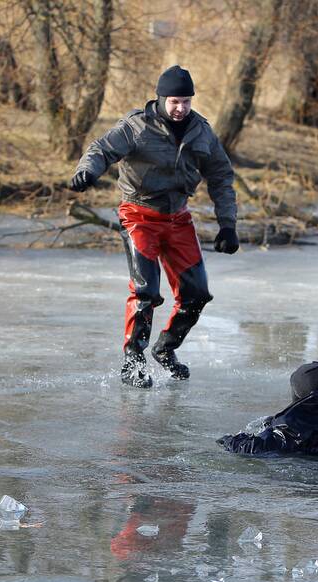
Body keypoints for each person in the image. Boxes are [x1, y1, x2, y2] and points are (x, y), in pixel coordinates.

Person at [70, 65, 239, 389]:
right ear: (161, 99)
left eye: (186, 101)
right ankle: (133, 361)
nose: (181, 108)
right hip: (139, 215)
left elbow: (220, 176)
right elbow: (102, 150)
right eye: (175, 101)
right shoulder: (137, 126)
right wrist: (88, 171)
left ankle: (166, 349)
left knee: (197, 295)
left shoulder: (201, 131)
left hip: (178, 219)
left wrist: (227, 225)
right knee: (146, 291)